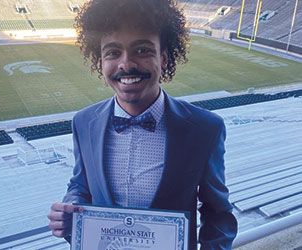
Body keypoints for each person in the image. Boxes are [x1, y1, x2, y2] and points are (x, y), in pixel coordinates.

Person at [47, 0, 238, 249]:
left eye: (142, 50)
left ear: (165, 59)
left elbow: (219, 214)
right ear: (100, 61)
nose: (126, 64)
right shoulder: (84, 122)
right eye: (113, 53)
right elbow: (81, 184)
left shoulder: (205, 128)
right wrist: (69, 208)